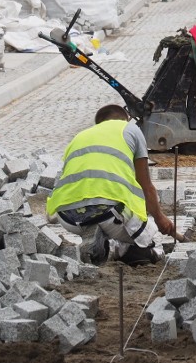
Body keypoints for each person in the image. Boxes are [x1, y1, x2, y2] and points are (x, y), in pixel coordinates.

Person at [46, 104, 176, 266]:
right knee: (150, 239)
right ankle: (119, 249)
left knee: (105, 216)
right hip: (107, 215)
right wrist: (159, 218)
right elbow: (145, 185)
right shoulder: (130, 130)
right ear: (125, 119)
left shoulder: (79, 137)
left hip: (68, 218)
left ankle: (97, 241)